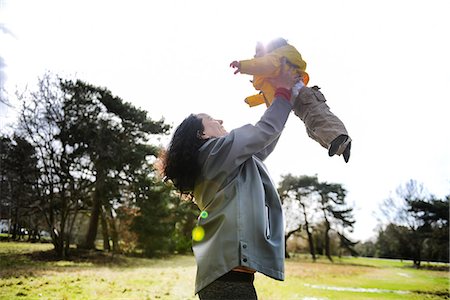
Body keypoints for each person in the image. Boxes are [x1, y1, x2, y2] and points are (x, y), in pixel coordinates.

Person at [162, 61, 298, 299]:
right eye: (212, 119)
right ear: (201, 134)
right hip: (228, 279)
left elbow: (263, 141)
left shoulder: (219, 159)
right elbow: (263, 132)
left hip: (226, 277)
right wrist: (284, 93)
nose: (221, 121)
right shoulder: (213, 152)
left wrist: (276, 101)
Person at [230, 37, 352, 162]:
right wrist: (253, 101)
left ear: (270, 49)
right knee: (311, 128)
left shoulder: (277, 60)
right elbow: (271, 93)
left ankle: (339, 136)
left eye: (258, 52)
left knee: (318, 117)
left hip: (303, 95)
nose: (255, 56)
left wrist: (243, 65)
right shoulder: (273, 71)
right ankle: (340, 146)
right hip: (298, 102)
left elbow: (265, 64)